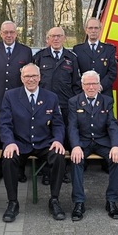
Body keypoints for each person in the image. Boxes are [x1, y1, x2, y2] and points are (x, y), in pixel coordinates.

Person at [0, 64, 67, 223]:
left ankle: (55, 200)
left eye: (34, 76)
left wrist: (57, 140)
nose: (31, 79)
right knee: (8, 158)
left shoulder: (51, 97)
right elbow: (4, 124)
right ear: (22, 78)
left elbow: (58, 124)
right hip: (19, 143)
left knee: (58, 156)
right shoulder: (10, 96)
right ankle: (12, 203)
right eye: (27, 76)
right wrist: (9, 142)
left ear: (40, 77)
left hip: (44, 143)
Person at [0, 21, 33, 183]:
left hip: (20, 101)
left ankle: (19, 169)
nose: (9, 35)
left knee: (20, 136)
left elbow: (30, 78)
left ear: (16, 33)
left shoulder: (25, 51)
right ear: (0, 33)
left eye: (12, 32)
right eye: (5, 32)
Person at [67, 71, 118, 221]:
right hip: (83, 142)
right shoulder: (74, 101)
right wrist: (76, 146)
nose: (91, 87)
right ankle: (79, 202)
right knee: (76, 160)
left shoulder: (107, 100)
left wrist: (116, 145)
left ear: (99, 86)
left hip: (102, 141)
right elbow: (72, 127)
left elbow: (112, 124)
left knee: (117, 159)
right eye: (87, 84)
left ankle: (111, 200)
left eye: (94, 84)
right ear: (82, 85)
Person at [33, 26, 80, 184]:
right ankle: (46, 172)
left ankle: (63, 170)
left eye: (59, 36)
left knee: (64, 137)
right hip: (43, 105)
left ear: (64, 38)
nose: (56, 39)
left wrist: (72, 101)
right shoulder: (40, 57)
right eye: (52, 36)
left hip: (65, 105)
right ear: (47, 39)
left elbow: (75, 84)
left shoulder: (71, 58)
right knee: (46, 137)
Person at [73, 18, 117, 99]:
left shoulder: (109, 49)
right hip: (83, 93)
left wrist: (100, 86)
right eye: (90, 28)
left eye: (96, 28)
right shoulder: (77, 49)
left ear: (100, 30)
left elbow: (112, 72)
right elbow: (75, 73)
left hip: (104, 93)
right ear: (86, 30)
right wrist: (85, 87)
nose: (93, 31)